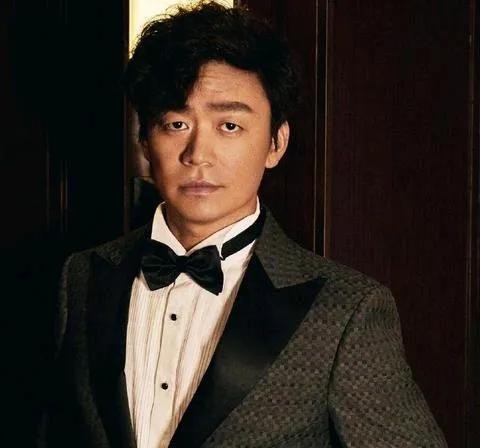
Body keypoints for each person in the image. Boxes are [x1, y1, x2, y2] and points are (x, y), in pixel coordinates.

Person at [49, 2, 446, 447]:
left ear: (276, 143)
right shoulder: (82, 277)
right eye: (176, 123)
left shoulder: (346, 310)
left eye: (229, 125)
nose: (198, 154)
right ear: (144, 139)